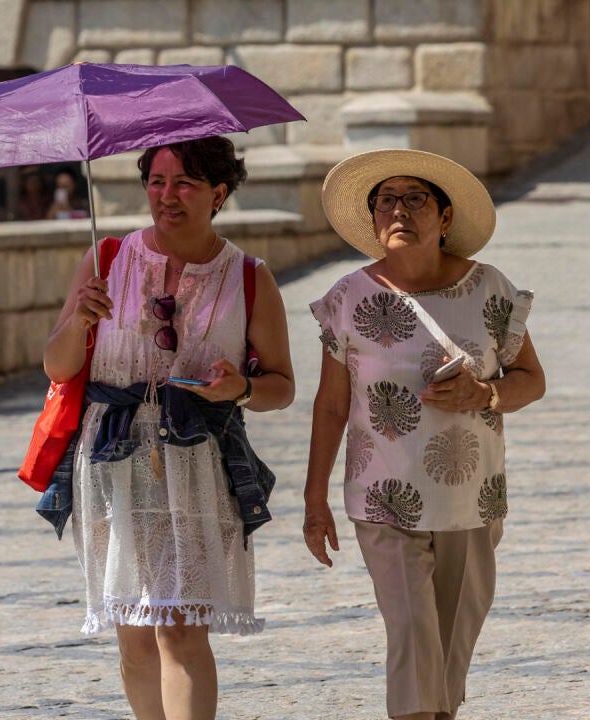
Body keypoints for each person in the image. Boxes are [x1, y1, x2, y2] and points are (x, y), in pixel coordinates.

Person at [43, 136, 295, 719]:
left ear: (219, 194)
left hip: (197, 465)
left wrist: (241, 389)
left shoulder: (249, 277)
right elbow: (57, 367)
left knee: (180, 628)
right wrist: (79, 320)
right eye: (156, 182)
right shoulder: (106, 259)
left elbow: (281, 386)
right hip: (112, 462)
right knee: (134, 634)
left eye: (184, 183)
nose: (167, 196)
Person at [303, 149, 546, 720]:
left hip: (472, 501)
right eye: (386, 200)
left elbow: (531, 380)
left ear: (445, 217)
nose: (399, 211)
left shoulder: (490, 288)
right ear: (373, 219)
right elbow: (332, 404)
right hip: (383, 500)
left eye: (415, 198)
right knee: (413, 639)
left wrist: (483, 394)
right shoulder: (347, 298)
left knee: (446, 662)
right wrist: (314, 500)